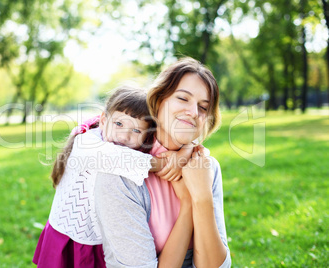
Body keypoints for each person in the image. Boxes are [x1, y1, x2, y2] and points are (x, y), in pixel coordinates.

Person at [32, 86, 192, 268]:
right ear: (103, 120)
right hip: (72, 236)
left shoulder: (135, 148)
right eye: (119, 124)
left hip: (104, 239)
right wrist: (165, 164)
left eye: (137, 131)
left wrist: (187, 149)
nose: (124, 135)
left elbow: (174, 138)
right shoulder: (86, 143)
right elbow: (115, 158)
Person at [94, 57, 231, 268]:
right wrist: (187, 203)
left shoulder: (206, 167)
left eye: (203, 108)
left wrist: (202, 198)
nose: (194, 112)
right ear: (158, 101)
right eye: (183, 98)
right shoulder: (120, 173)